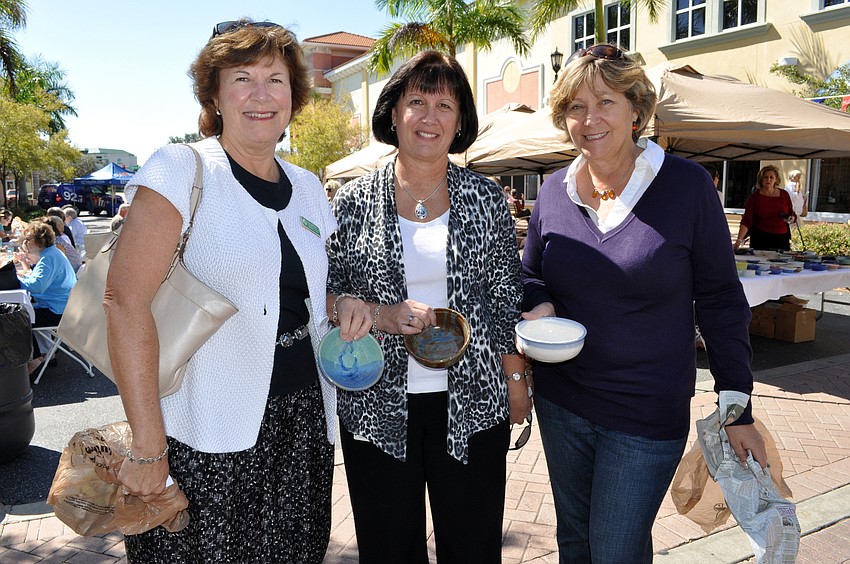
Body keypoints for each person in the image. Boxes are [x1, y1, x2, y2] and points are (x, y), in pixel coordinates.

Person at [520, 44, 766, 563]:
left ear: (637, 109)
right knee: (575, 542)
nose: (589, 119)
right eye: (575, 107)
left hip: (645, 411)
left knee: (616, 549)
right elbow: (530, 274)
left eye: (605, 102)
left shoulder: (687, 186)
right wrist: (539, 305)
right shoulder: (553, 193)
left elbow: (721, 296)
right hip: (563, 402)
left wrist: (737, 401)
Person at [103, 19, 337, 563]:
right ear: (215, 93)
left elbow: (305, 296)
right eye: (242, 78)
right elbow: (124, 302)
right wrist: (147, 444)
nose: (261, 95)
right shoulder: (180, 168)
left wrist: (350, 308)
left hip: (300, 423)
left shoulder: (307, 187)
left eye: (275, 79)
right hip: (200, 428)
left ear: (293, 96)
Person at [326, 50, 530, 563]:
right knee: (389, 547)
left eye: (445, 103)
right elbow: (325, 296)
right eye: (417, 100)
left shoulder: (486, 199)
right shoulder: (351, 203)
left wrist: (517, 383)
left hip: (473, 401)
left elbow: (506, 298)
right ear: (393, 112)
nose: (430, 116)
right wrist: (377, 314)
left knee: (473, 545)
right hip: (375, 402)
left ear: (460, 119)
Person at [14, 221, 76, 374]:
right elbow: (37, 281)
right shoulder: (50, 254)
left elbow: (36, 286)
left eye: (29, 239)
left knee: (17, 318)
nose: (25, 243)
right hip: (63, 307)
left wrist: (14, 279)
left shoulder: (49, 257)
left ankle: (35, 358)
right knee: (24, 311)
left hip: (58, 311)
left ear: (40, 240)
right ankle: (47, 353)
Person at [734, 165, 796, 251]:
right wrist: (739, 240)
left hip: (781, 238)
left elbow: (792, 213)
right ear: (761, 179)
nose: (768, 180)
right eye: (765, 177)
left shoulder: (784, 195)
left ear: (776, 179)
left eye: (771, 177)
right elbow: (747, 221)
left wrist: (791, 218)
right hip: (760, 238)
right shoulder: (754, 198)